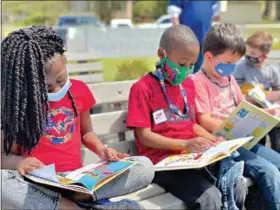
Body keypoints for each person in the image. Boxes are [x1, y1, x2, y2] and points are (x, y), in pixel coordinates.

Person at [1, 26, 154, 210]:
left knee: (144, 166)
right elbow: (4, 157)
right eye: (47, 88)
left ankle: (77, 202)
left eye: (60, 80)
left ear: (65, 62)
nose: (57, 90)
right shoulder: (19, 108)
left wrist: (101, 149)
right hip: (39, 186)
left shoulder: (79, 91)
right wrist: (20, 162)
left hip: (77, 183)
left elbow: (86, 131)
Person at [126, 25, 247, 210]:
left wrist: (214, 140)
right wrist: (184, 145)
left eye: (191, 65)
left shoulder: (187, 86)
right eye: (182, 64)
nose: (186, 70)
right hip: (163, 164)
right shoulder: (143, 88)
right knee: (210, 197)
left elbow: (191, 125)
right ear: (161, 54)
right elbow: (144, 136)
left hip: (192, 158)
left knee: (237, 185)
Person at [193, 22, 280, 210]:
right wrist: (230, 125)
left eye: (235, 63)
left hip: (243, 140)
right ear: (209, 57)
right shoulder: (198, 82)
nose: (233, 68)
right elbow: (204, 119)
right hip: (224, 144)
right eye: (229, 63)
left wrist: (266, 114)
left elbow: (243, 106)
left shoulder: (228, 78)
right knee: (269, 172)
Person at [233, 31, 280, 152]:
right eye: (247, 52)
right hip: (252, 115)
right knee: (257, 145)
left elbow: (278, 91)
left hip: (270, 113)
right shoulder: (241, 68)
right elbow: (235, 91)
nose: (248, 55)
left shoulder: (272, 71)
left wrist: (267, 96)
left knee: (277, 141)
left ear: (265, 54)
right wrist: (249, 97)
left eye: (253, 53)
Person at [168, 0, 223, 74]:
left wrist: (216, 16)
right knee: (185, 72)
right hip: (187, 41)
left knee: (202, 72)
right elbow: (174, 14)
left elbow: (214, 14)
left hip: (206, 41)